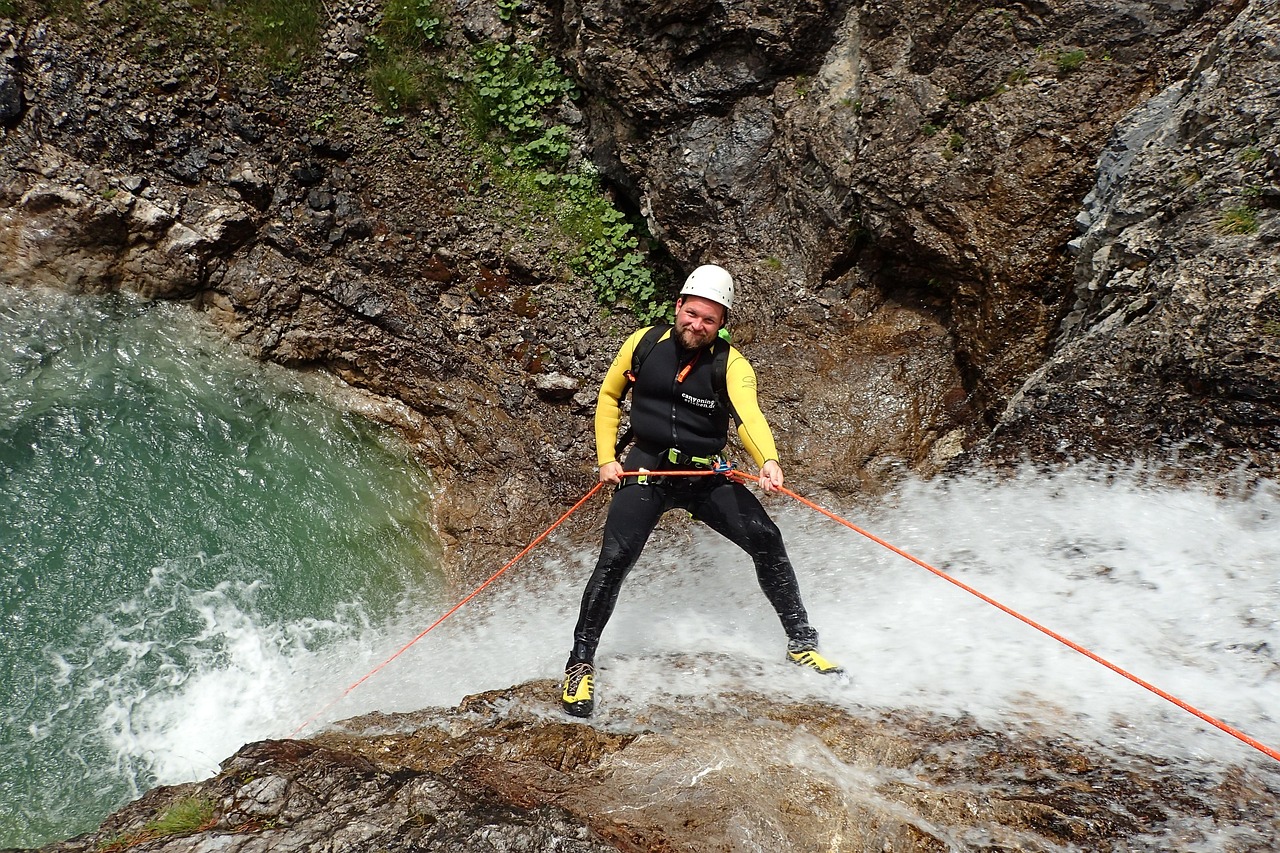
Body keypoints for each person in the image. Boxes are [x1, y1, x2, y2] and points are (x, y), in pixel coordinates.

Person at [561, 264, 842, 718]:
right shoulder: (642, 344)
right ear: (678, 307)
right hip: (647, 467)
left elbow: (749, 416)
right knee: (615, 558)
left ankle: (801, 644)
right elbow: (609, 397)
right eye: (692, 314)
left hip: (704, 475)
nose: (697, 325)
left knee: (767, 539)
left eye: (709, 320)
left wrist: (768, 460)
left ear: (721, 324)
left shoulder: (731, 365)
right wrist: (606, 457)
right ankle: (579, 665)